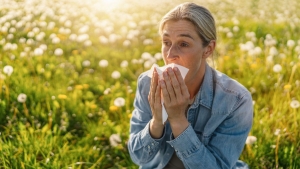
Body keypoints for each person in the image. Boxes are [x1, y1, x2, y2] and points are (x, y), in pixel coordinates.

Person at [128, 2, 253, 169]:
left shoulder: (236, 100)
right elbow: (138, 157)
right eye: (166, 42)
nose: (170, 55)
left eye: (184, 44)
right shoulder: (148, 83)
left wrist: (178, 119)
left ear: (208, 49)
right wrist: (157, 121)